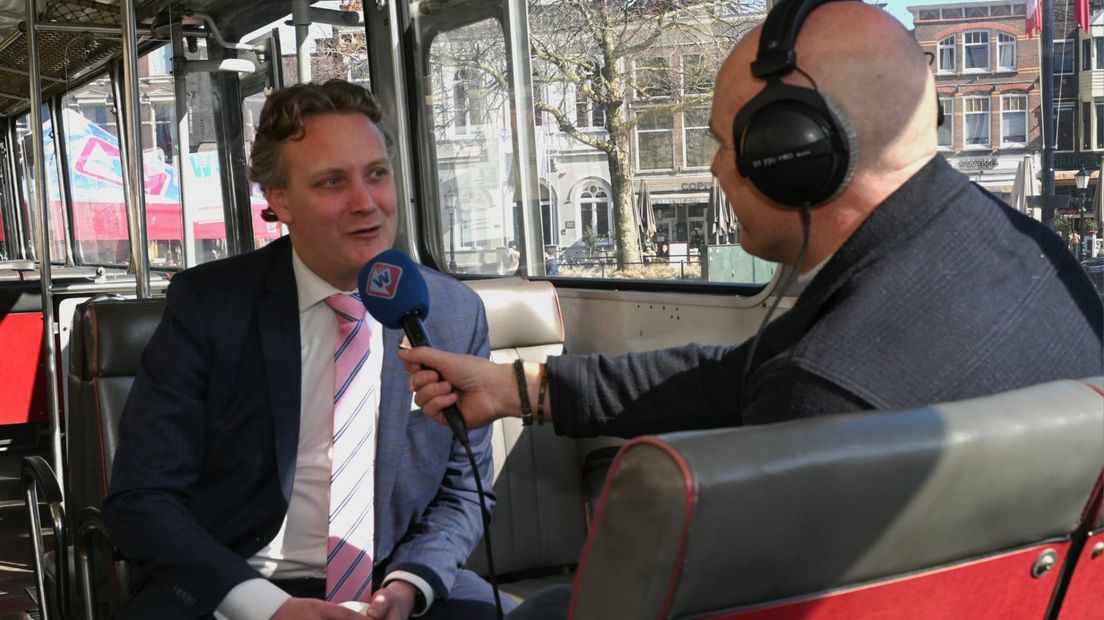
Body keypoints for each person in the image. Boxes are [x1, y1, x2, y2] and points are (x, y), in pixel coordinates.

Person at [400, 4, 1103, 612]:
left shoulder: (826, 397)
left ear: (793, 153)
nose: (712, 166)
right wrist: (521, 389)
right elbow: (740, 375)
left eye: (724, 139)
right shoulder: (1021, 251)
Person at [103, 80, 507, 620]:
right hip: (240, 584)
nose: (366, 203)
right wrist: (269, 608)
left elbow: (464, 493)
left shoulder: (452, 311)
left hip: (390, 581)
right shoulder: (209, 306)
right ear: (280, 200)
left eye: (377, 174)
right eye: (332, 182)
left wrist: (409, 586)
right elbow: (142, 501)